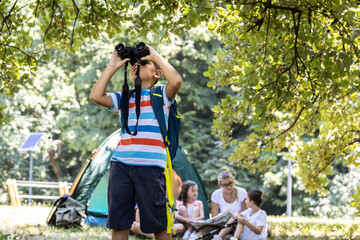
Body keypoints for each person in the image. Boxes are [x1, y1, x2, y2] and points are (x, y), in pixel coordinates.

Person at [89, 43, 182, 240]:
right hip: (121, 165)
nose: (136, 65)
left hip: (151, 167)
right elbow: (96, 96)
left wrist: (154, 55)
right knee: (120, 222)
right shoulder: (125, 97)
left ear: (157, 73)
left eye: (143, 63)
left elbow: (176, 80)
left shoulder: (161, 95)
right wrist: (113, 66)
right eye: (133, 63)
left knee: (160, 224)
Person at [210, 171, 247, 239]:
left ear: (233, 180)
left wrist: (237, 216)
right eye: (225, 185)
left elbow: (246, 213)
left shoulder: (242, 192)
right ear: (220, 185)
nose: (229, 187)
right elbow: (214, 217)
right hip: (224, 224)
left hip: (239, 223)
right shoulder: (216, 194)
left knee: (233, 218)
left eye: (230, 183)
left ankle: (219, 237)